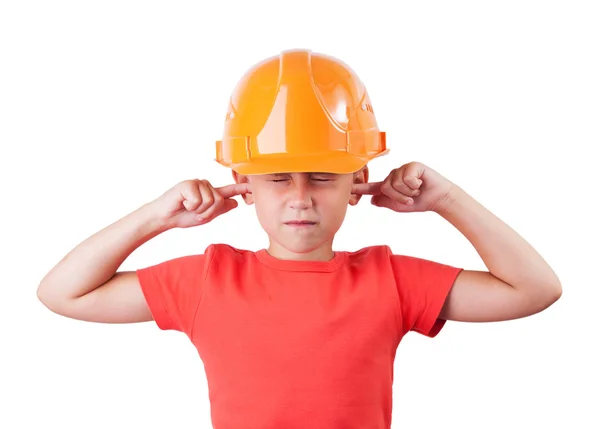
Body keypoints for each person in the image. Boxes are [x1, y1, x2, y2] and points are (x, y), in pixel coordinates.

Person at [36, 49, 562, 429]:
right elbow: (62, 293)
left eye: (323, 176)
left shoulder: (391, 279)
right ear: (244, 187)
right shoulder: (206, 279)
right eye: (278, 177)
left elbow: (534, 290)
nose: (300, 197)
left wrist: (447, 199)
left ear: (358, 183)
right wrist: (156, 216)